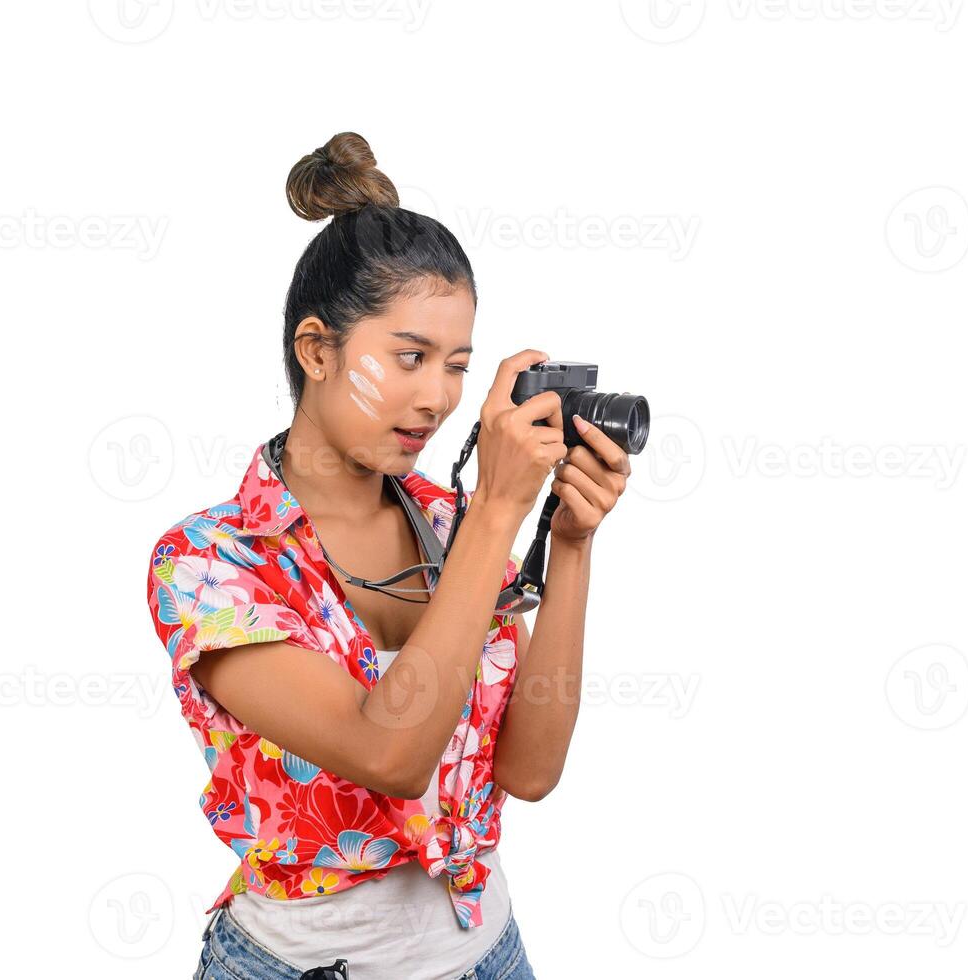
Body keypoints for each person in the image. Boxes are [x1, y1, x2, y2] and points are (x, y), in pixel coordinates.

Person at [145, 132, 632, 980]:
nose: (438, 398)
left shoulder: (452, 523)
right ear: (317, 350)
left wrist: (568, 542)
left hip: (488, 951)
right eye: (407, 357)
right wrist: (497, 516)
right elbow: (389, 757)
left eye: (456, 366)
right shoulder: (210, 561)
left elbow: (530, 769)